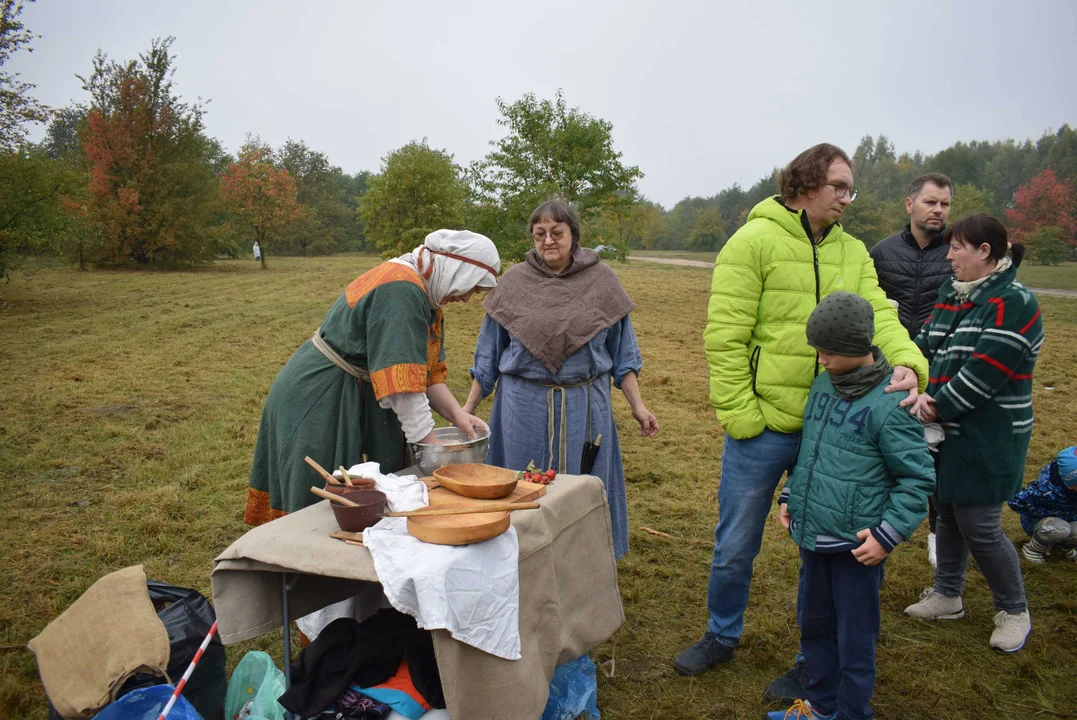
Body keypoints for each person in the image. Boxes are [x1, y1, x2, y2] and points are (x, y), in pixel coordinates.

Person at [677, 143, 929, 691]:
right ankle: (721, 635)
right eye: (839, 186)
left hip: (835, 427)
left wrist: (909, 360)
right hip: (762, 427)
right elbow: (725, 336)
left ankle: (814, 661)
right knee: (736, 542)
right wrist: (743, 416)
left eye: (850, 188)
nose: (847, 197)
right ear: (805, 185)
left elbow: (878, 314)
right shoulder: (752, 241)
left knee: (826, 551)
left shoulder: (853, 251)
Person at [244, 229, 500, 526]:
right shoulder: (400, 291)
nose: (468, 299)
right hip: (322, 397)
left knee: (362, 496)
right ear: (456, 269)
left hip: (358, 390)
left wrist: (459, 417)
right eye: (472, 287)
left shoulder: (425, 295)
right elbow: (404, 390)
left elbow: (427, 376)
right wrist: (434, 455)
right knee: (322, 503)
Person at [463, 199, 658, 560]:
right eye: (540, 234)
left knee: (581, 486)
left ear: (574, 235)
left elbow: (623, 355)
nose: (548, 241)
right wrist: (467, 411)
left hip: (585, 406)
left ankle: (584, 560)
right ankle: (520, 557)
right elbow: (487, 355)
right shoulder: (514, 283)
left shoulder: (602, 282)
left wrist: (639, 407)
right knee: (520, 485)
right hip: (523, 407)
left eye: (557, 232)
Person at [770, 291, 934, 720]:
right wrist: (792, 493)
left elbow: (917, 479)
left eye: (828, 352)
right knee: (815, 626)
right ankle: (821, 706)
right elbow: (811, 450)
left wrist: (887, 535)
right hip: (813, 536)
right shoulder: (824, 383)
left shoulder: (892, 403)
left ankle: (853, 712)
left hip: (857, 548)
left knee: (855, 638)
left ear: (856, 349)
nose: (820, 360)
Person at [903, 215, 1043, 653]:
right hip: (945, 430)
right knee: (945, 510)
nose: (948, 256)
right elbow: (925, 343)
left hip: (989, 434)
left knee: (979, 524)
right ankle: (947, 594)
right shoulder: (954, 292)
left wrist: (934, 404)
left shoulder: (1015, 302)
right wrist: (907, 371)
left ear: (985, 252)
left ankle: (1014, 609)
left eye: (957, 248)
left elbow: (987, 372)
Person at [870, 173, 954, 569]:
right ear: (910, 205)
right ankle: (874, 533)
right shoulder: (882, 253)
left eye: (945, 204)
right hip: (889, 373)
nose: (938, 210)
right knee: (883, 455)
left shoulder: (956, 253)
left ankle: (940, 539)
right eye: (930, 202)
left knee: (940, 464)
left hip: (941, 372)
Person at [1007, 446, 1077, 563]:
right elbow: (1016, 501)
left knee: (1068, 528)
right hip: (1044, 523)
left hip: (1070, 520)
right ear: (1069, 482)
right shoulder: (1046, 491)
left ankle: (1064, 547)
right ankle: (1033, 549)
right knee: (1060, 528)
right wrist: (1040, 513)